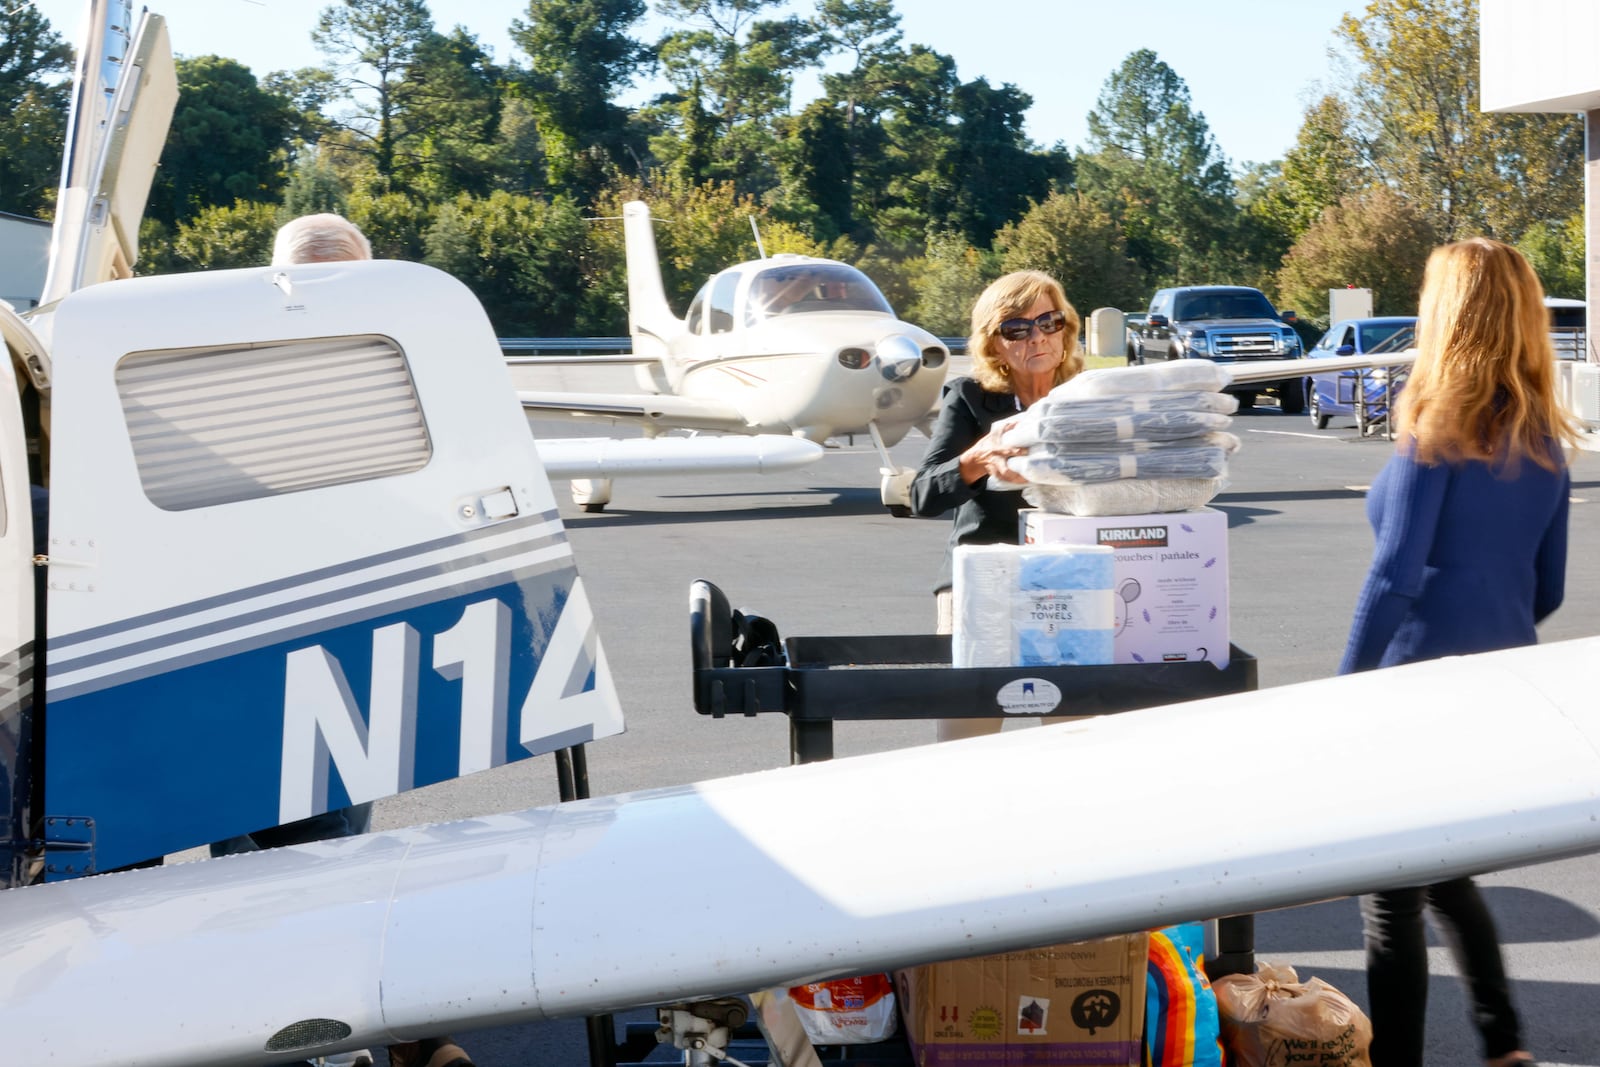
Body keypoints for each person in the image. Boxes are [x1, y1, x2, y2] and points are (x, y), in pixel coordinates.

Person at [211, 213, 474, 1067]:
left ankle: (350, 1032)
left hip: (299, 644)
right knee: (308, 854)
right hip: (299, 643)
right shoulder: (391, 367)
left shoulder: (228, 366)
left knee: (279, 857)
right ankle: (373, 1034)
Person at [1339, 237, 1576, 1067]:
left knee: (1391, 895)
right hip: (1496, 688)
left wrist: (1342, 690)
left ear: (1446, 315)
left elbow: (1394, 575)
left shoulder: (1427, 437)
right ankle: (1504, 1044)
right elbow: (1544, 590)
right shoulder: (1547, 443)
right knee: (1446, 874)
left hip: (1411, 689)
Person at [908, 270, 1083, 741]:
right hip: (980, 582)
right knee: (970, 734)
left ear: (1067, 327)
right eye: (1017, 329)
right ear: (994, 344)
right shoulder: (969, 398)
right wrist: (977, 458)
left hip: (1074, 579)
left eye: (1049, 322)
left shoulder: (1088, 396)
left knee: (1079, 731)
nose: (1037, 337)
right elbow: (922, 494)